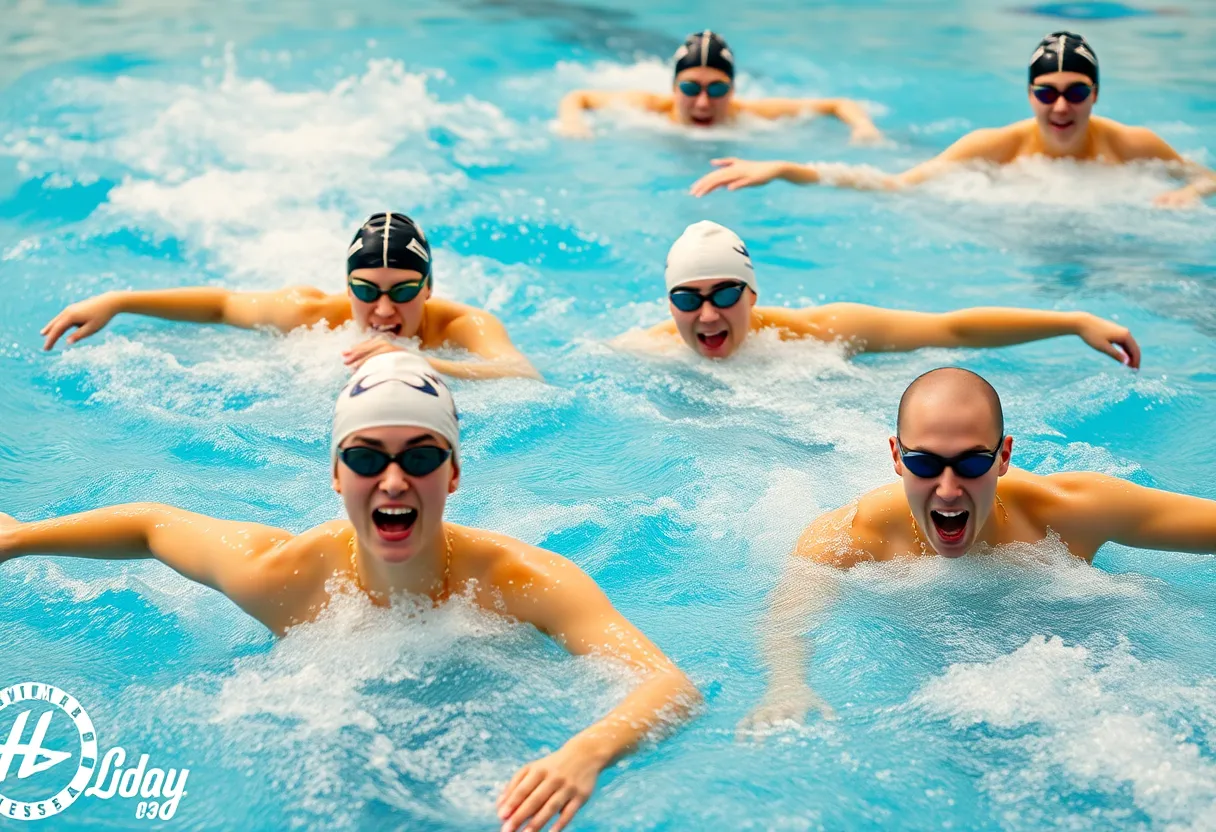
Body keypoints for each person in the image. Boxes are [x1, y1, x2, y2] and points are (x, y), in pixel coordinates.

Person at [0, 351, 697, 831]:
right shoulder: (287, 577)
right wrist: (19, 536)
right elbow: (155, 526)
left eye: (420, 456)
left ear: (453, 474)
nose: (393, 480)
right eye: (366, 457)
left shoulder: (519, 581)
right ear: (336, 475)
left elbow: (668, 685)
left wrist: (584, 752)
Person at [739, 367, 1216, 733]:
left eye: (971, 463)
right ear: (897, 458)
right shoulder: (853, 535)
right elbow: (789, 617)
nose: (948, 490)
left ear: (1004, 456)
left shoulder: (1072, 511)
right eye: (924, 463)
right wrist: (787, 685)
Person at [691, 31, 1216, 208]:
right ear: (1029, 95)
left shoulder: (1132, 145)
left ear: (1095, 94)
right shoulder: (995, 147)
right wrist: (788, 169)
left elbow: (1207, 177)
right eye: (1047, 92)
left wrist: (1190, 193)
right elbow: (897, 184)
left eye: (1076, 91)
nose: (1061, 107)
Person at [40, 212, 540, 380]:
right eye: (366, 291)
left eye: (404, 291)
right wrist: (119, 301)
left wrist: (423, 363)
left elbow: (522, 374)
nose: (384, 309)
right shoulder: (309, 313)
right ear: (347, 286)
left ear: (429, 288)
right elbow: (221, 306)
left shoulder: (464, 326)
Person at [642, 221, 1141, 365]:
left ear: (752, 295)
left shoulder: (821, 332)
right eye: (687, 299)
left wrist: (1073, 322)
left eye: (724, 294)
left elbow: (952, 330)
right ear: (669, 305)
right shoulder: (645, 353)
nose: (708, 315)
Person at [558, 30, 881, 141]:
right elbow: (578, 97)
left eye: (716, 90)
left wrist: (863, 127)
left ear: (733, 91)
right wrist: (573, 123)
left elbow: (839, 104)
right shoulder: (650, 108)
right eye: (690, 89)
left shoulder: (750, 114)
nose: (703, 103)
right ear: (673, 89)